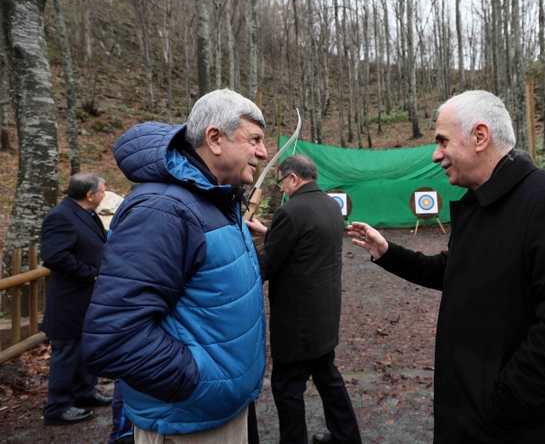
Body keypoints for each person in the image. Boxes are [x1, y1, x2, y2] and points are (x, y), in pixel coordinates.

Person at [347, 90, 545, 443]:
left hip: (518, 429)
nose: (436, 154)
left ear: (480, 136)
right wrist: (388, 252)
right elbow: (454, 272)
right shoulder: (478, 203)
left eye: (442, 141)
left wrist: (498, 403)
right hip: (470, 418)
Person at [81, 89, 268, 443]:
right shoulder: (163, 210)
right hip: (188, 420)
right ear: (214, 139)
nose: (263, 152)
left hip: (218, 411)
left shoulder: (215, 200)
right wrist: (199, 381)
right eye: (254, 139)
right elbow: (114, 336)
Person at [247, 155, 361, 444]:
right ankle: (347, 437)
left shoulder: (291, 212)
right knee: (328, 378)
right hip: (324, 317)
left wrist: (247, 245)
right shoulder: (330, 206)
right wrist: (270, 232)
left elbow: (267, 266)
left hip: (297, 325)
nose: (282, 188)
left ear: (294, 179)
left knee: (287, 387)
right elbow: (305, 242)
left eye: (283, 182)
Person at [41, 173, 111, 425]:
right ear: (90, 195)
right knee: (67, 352)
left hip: (87, 299)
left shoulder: (88, 214)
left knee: (86, 347)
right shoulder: (60, 217)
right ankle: (57, 407)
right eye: (103, 190)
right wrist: (90, 275)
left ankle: (84, 392)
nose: (105, 194)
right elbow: (54, 256)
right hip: (69, 300)